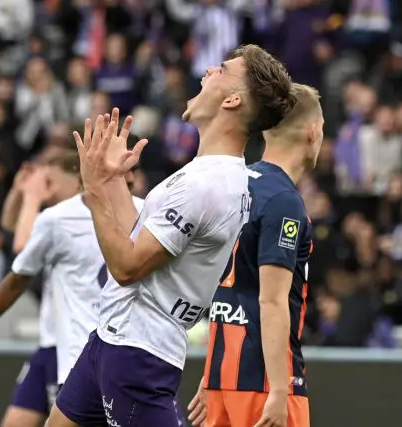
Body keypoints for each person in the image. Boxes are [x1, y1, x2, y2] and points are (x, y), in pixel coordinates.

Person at [47, 44, 293, 427]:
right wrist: (112, 180)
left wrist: (94, 192)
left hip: (138, 352)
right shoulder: (208, 174)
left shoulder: (208, 185)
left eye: (223, 69)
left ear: (232, 100)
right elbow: (137, 238)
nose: (208, 70)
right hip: (112, 338)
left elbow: (128, 267)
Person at [0, 149, 143, 427]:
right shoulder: (60, 218)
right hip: (57, 343)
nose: (45, 188)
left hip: (89, 349)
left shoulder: (64, 217)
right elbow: (14, 229)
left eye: (49, 181)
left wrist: (31, 197)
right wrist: (20, 193)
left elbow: (20, 250)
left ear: (76, 179)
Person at [188, 83, 324, 427]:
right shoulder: (283, 200)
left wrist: (210, 375)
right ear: (313, 132)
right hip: (264, 384)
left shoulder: (234, 182)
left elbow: (219, 288)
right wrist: (279, 390)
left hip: (222, 380)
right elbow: (271, 301)